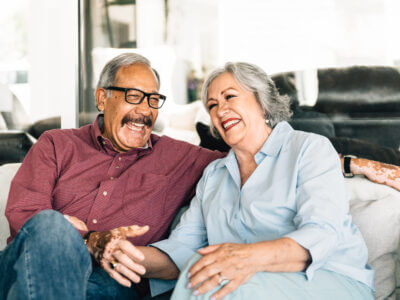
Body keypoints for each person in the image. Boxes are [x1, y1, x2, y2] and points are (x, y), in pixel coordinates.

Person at [131, 62, 375, 299]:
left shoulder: (308, 149)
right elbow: (181, 251)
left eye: (230, 97)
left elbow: (322, 234)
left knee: (219, 286)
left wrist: (245, 258)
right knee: (206, 274)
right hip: (248, 283)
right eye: (212, 105)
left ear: (261, 102)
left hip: (330, 279)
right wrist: (123, 255)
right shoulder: (214, 175)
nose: (220, 110)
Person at [1, 53, 223, 299]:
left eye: (153, 99)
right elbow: (26, 214)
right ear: (102, 99)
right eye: (134, 96)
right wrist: (89, 241)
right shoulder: (56, 144)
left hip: (107, 283)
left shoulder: (180, 158)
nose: (145, 110)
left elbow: (245, 156)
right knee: (51, 225)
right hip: (27, 266)